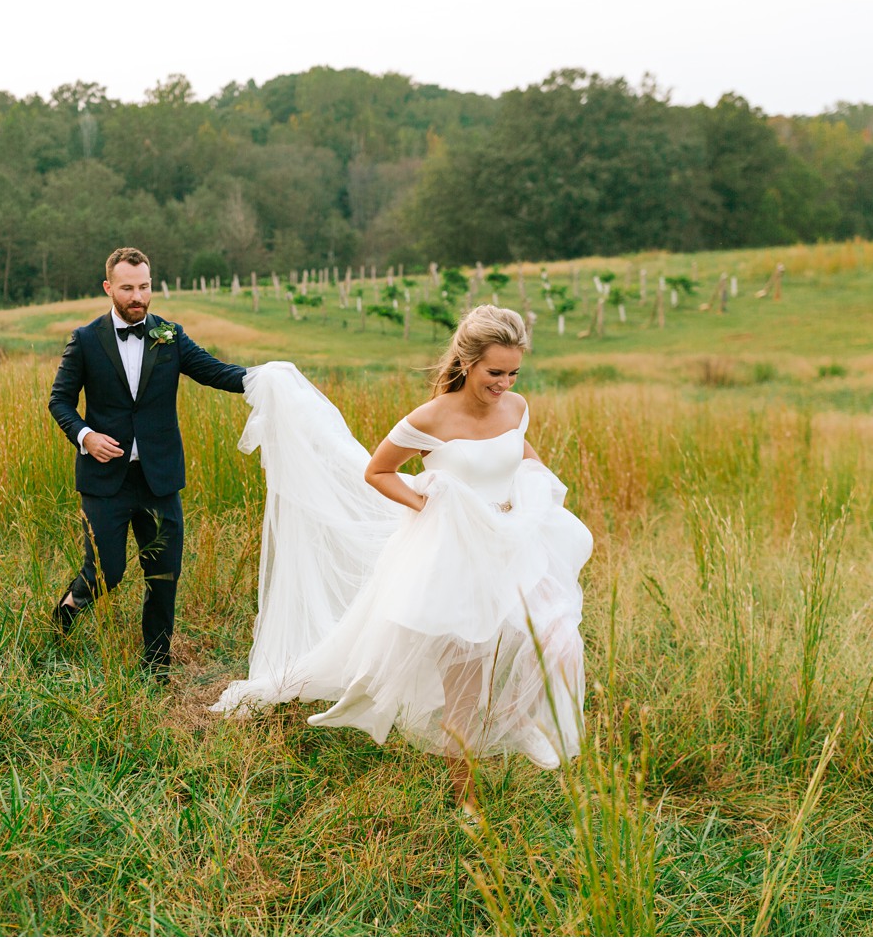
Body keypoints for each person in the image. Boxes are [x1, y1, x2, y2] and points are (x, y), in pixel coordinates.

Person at [211, 306, 592, 804]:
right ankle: (466, 802)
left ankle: (518, 720)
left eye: (513, 372)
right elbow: (378, 471)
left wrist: (532, 490)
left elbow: (523, 454)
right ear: (468, 362)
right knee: (466, 686)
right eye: (494, 372)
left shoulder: (516, 407)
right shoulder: (432, 417)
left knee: (560, 641)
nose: (504, 382)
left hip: (512, 543)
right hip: (457, 559)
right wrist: (432, 507)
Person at [48, 246, 246, 680]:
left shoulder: (170, 335)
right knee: (107, 572)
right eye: (128, 289)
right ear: (108, 288)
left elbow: (216, 372)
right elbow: (59, 401)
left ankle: (156, 667)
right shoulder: (85, 339)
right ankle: (63, 616)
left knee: (164, 575)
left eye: (144, 287)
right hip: (106, 482)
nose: (138, 297)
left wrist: (268, 379)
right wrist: (86, 436)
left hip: (159, 479)